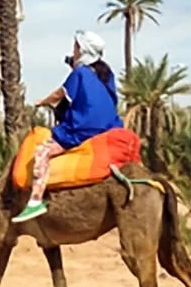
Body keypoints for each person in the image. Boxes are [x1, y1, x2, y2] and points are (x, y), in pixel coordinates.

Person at [12, 30, 123, 223]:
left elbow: (60, 94)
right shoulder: (106, 74)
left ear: (82, 50)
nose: (74, 50)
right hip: (110, 126)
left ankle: (35, 201)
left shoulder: (80, 73)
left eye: (76, 46)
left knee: (42, 152)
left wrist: (41, 101)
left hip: (83, 127)